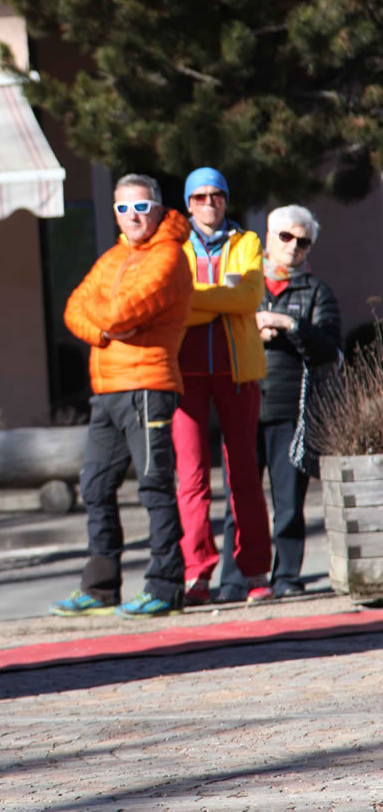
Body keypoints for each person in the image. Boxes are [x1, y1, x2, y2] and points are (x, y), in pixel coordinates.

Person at [50, 175, 193, 618]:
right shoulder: (113, 257)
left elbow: (118, 310)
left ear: (158, 209)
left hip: (148, 386)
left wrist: (104, 319)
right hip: (107, 391)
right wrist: (105, 332)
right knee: (94, 486)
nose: (133, 216)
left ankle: (165, 586)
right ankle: (100, 587)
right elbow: (73, 309)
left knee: (154, 486)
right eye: (123, 208)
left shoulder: (169, 257)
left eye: (141, 207)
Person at [218, 206, 342, 600]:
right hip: (240, 402)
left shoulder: (317, 292)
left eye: (303, 242)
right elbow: (214, 333)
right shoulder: (240, 282)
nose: (293, 247)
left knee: (289, 502)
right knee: (238, 498)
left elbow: (329, 350)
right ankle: (234, 579)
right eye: (286, 237)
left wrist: (289, 324)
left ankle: (287, 576)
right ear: (267, 238)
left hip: (290, 408)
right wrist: (249, 328)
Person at [173, 167, 273, 604]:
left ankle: (255, 572)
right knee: (191, 477)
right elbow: (171, 302)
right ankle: (197, 574)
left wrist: (195, 298)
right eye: (199, 197)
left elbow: (250, 297)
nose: (209, 203)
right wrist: (220, 300)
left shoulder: (246, 242)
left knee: (244, 474)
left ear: (226, 200)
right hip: (184, 374)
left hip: (237, 371)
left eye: (216, 195)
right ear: (188, 204)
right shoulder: (173, 246)